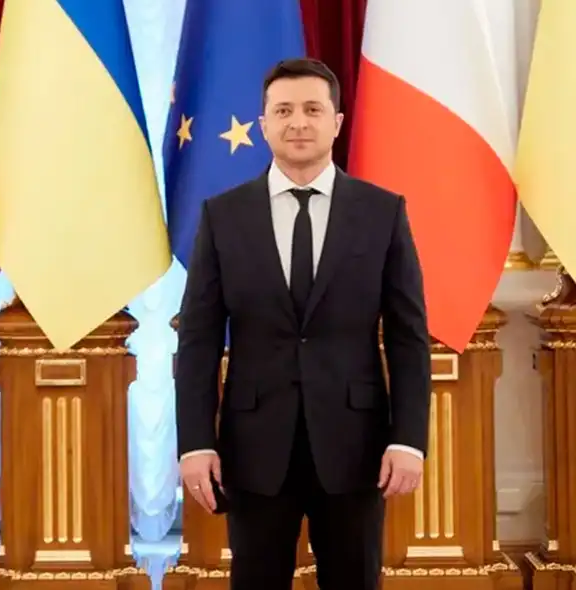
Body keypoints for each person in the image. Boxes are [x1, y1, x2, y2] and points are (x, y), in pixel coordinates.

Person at [175, 58, 430, 590]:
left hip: (356, 447)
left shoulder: (382, 213)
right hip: (254, 448)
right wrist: (195, 443)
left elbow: (408, 338)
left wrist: (408, 440)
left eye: (313, 110)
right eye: (283, 111)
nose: (298, 122)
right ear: (263, 124)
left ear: (336, 122)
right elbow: (198, 340)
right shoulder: (223, 216)